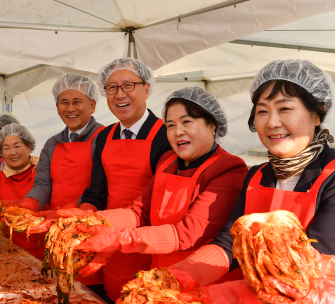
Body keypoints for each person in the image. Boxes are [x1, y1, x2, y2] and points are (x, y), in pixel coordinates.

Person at [163, 59, 335, 298]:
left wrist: (213, 297)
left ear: (317, 114)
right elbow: (229, 244)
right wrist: (180, 276)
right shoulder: (257, 176)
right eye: (262, 111)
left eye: (285, 109)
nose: (272, 123)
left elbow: (304, 273)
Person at [70, 86, 248, 277]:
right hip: (158, 274)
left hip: (200, 280)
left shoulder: (229, 168)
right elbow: (140, 211)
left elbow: (186, 234)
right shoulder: (168, 161)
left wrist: (117, 239)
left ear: (212, 125)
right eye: (170, 125)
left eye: (186, 122)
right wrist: (88, 221)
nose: (178, 131)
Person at [65, 58, 172, 301]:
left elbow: (163, 201)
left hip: (147, 244)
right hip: (108, 243)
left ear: (146, 89)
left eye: (128, 86)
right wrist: (82, 218)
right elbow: (97, 191)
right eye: (111, 88)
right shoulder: (104, 136)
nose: (119, 94)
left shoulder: (166, 135)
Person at [22, 73, 104, 212]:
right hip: (56, 222)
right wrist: (30, 203)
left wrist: (74, 208)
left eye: (77, 102)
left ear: (92, 105)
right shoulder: (51, 144)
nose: (70, 109)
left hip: (91, 221)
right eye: (64, 103)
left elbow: (103, 187)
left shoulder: (103, 138)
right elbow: (43, 184)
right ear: (57, 106)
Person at [0, 123, 41, 257]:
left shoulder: (41, 173)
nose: (12, 153)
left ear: (29, 147)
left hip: (39, 248)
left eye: (17, 146)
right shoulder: (0, 177)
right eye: (6, 148)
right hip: (9, 247)